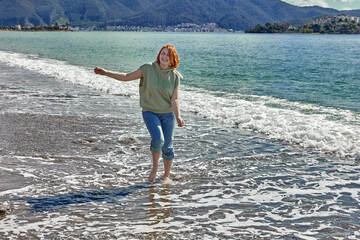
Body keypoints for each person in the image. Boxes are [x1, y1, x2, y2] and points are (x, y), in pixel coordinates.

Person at [94, 45, 184, 183]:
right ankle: (154, 168)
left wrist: (178, 116)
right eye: (163, 53)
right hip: (150, 112)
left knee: (168, 146)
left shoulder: (175, 76)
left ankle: (166, 176)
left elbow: (175, 99)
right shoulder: (147, 69)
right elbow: (126, 76)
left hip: (168, 115)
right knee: (158, 139)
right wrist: (106, 73)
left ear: (173, 60)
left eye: (168, 55)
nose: (164, 57)